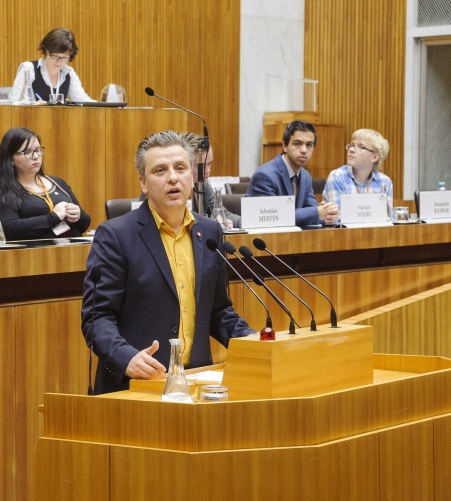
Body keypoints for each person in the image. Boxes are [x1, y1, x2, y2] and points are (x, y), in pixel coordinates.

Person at [81, 130, 255, 395]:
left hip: (196, 383)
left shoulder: (209, 231)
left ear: (191, 175)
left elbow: (218, 312)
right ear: (143, 182)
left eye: (180, 168)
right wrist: (127, 358)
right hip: (136, 386)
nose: (173, 177)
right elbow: (97, 318)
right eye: (160, 170)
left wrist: (257, 343)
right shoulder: (115, 236)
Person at [0, 127, 90, 241]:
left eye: (37, 150)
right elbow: (9, 229)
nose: (36, 157)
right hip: (34, 254)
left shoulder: (58, 183)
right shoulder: (2, 190)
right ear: (10, 158)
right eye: (27, 152)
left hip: (74, 250)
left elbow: (84, 225)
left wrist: (79, 216)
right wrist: (54, 217)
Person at [246, 120, 339, 226]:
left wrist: (328, 214)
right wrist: (318, 212)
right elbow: (273, 217)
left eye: (309, 145)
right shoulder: (265, 176)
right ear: (284, 146)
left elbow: (311, 210)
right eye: (297, 143)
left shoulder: (305, 176)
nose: (304, 150)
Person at [8, 28, 94, 103]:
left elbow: (82, 99)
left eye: (64, 58)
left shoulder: (68, 73)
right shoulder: (28, 69)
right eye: (55, 56)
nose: (59, 62)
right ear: (46, 50)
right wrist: (33, 105)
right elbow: (13, 103)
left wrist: (104, 105)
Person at [323, 129, 393, 218]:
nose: (351, 150)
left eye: (361, 147)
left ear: (374, 157)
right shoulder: (337, 177)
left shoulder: (385, 182)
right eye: (352, 145)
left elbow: (388, 218)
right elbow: (338, 220)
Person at [181, 132, 242, 228]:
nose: (208, 171)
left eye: (209, 164)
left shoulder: (203, 185)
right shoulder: (175, 190)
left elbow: (224, 215)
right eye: (201, 166)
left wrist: (248, 222)